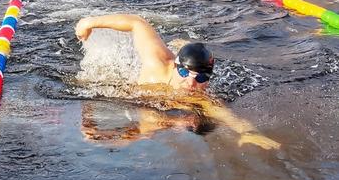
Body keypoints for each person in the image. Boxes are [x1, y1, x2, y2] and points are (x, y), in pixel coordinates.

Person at [74, 14, 279, 150]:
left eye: (200, 78)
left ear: (208, 79)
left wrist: (249, 133)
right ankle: (181, 45)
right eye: (184, 72)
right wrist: (90, 22)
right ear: (175, 66)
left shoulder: (203, 100)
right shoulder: (157, 64)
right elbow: (137, 23)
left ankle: (185, 45)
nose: (191, 84)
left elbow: (231, 118)